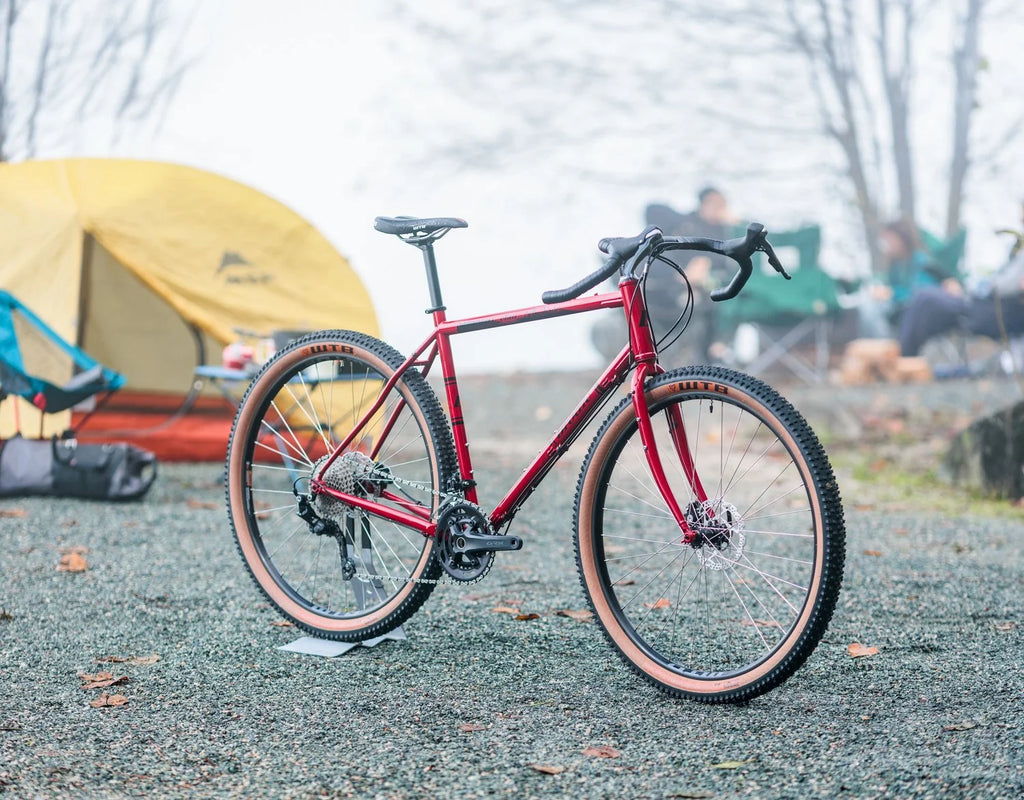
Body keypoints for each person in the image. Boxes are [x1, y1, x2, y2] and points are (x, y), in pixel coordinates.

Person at [899, 203, 1024, 357]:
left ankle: (903, 358)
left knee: (926, 299)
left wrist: (968, 289)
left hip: (990, 311)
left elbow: (1002, 285)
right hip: (980, 305)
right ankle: (904, 357)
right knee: (923, 299)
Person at [857, 219, 950, 339]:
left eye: (889, 239)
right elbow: (887, 282)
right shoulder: (896, 265)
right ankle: (873, 345)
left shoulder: (921, 263)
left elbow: (921, 295)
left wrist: (891, 293)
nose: (887, 245)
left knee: (872, 309)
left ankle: (884, 345)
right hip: (897, 314)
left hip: (917, 315)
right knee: (867, 303)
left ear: (901, 239)